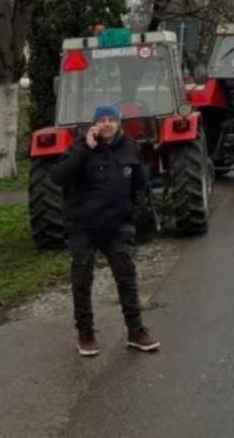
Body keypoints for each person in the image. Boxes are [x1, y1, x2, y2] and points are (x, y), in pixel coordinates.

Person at [50, 104, 159, 357]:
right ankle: (86, 333)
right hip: (83, 227)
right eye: (102, 120)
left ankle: (136, 331)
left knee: (126, 277)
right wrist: (84, 148)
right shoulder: (80, 148)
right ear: (94, 124)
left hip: (116, 227)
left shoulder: (130, 148)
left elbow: (140, 187)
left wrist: (131, 219)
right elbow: (58, 177)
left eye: (112, 119)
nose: (107, 124)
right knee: (82, 280)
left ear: (119, 123)